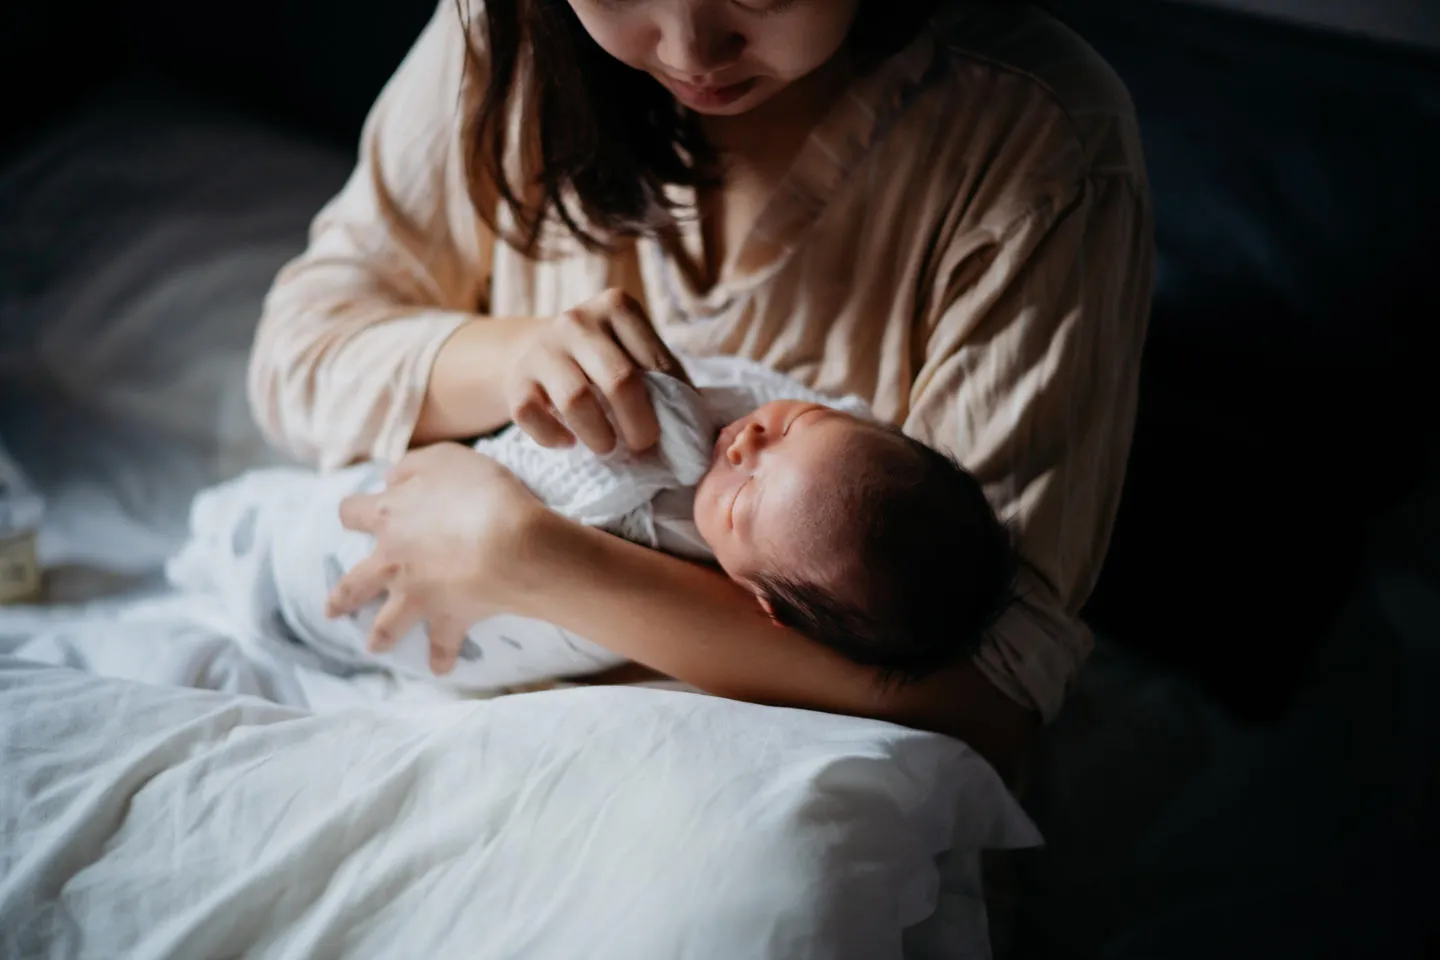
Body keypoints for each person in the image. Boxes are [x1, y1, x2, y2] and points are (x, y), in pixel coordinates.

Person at [248, 0, 1154, 771]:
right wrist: (510, 355)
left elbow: (993, 702)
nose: (689, 51)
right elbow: (296, 360)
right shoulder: (507, 32)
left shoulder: (1031, 138)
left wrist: (529, 559)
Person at [216, 357, 1019, 691]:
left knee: (337, 608)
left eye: (741, 501)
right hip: (386, 516)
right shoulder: (784, 438)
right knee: (276, 532)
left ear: (761, 600)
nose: (740, 444)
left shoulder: (667, 538)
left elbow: (602, 470)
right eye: (790, 425)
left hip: (445, 621)